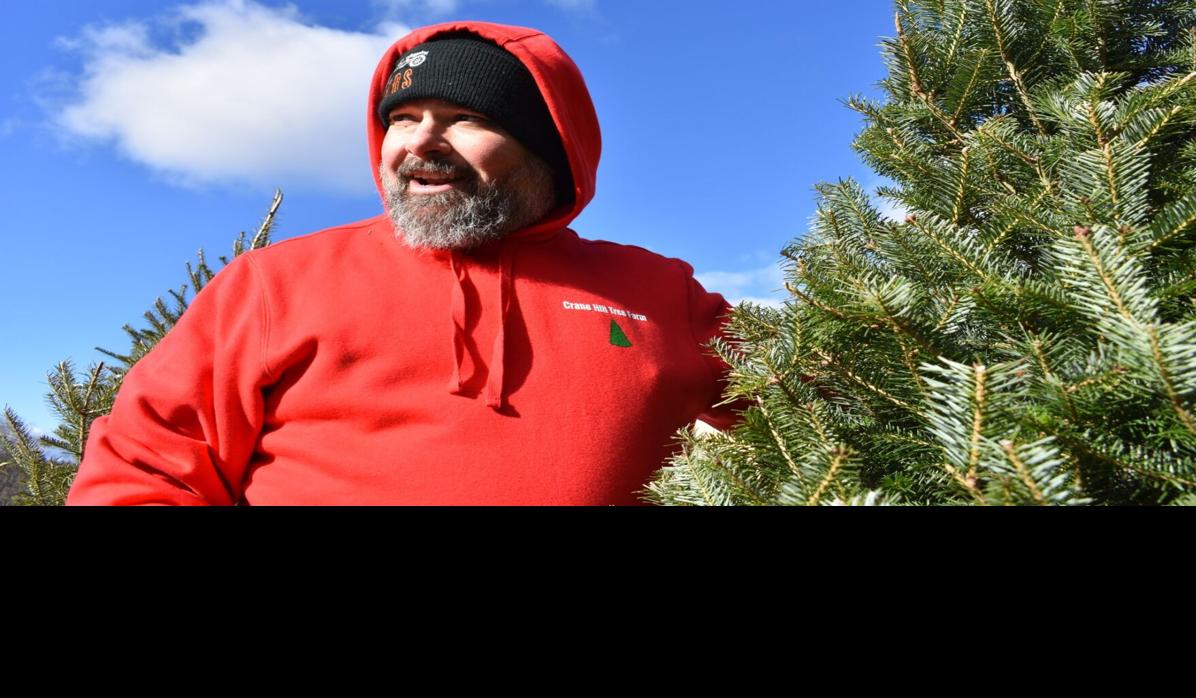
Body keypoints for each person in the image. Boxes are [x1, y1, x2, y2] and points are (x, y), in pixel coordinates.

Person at [67, 20, 743, 505]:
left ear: (549, 145)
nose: (422, 141)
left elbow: (828, 407)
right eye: (404, 116)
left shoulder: (658, 291)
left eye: (463, 118)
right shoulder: (275, 284)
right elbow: (146, 468)